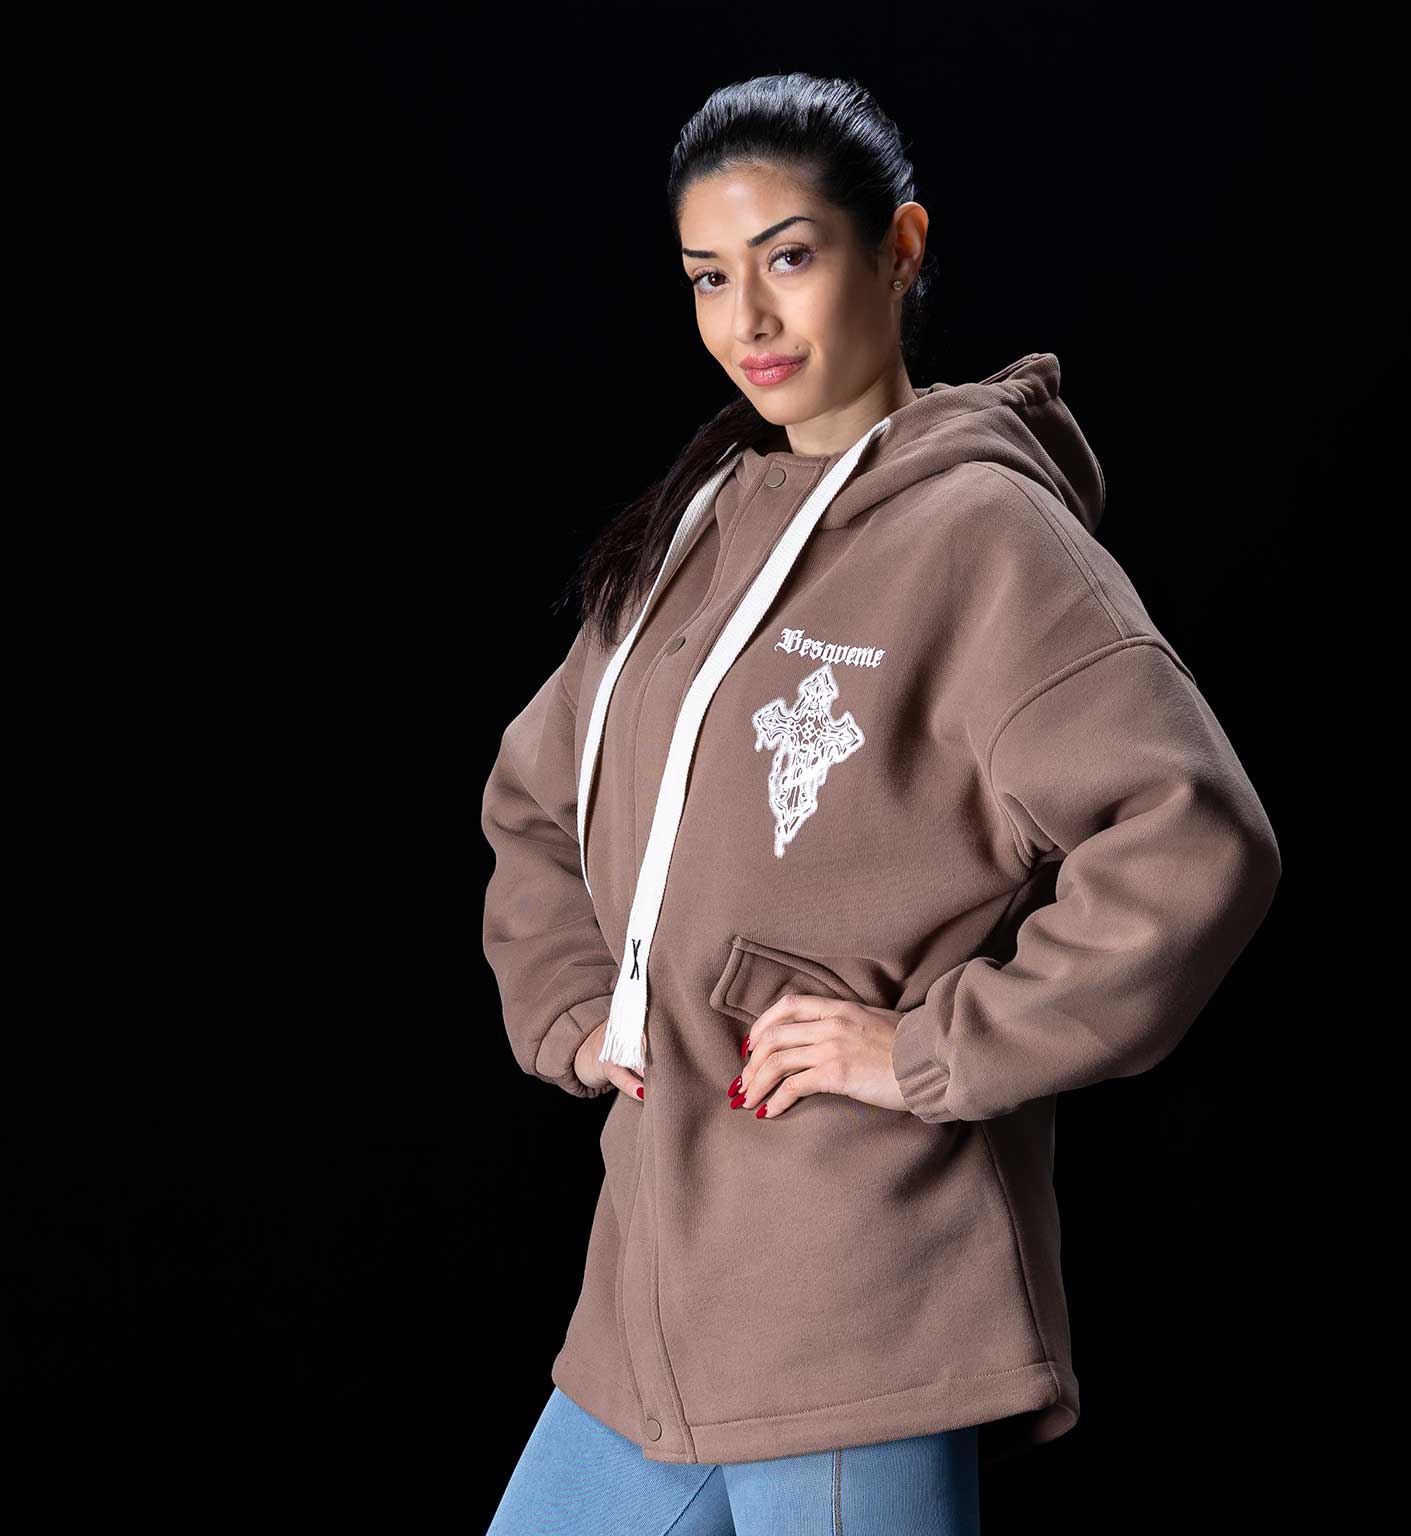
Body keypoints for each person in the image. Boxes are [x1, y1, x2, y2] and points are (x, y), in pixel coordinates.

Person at [478, 71, 1282, 1536]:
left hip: (859, 1299)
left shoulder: (986, 536)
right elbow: (536, 801)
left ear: (899, 249)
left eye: (789, 256)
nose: (749, 317)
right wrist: (576, 1009)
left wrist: (926, 1051)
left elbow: (1192, 839)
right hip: (654, 1300)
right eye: (708, 276)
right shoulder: (697, 534)